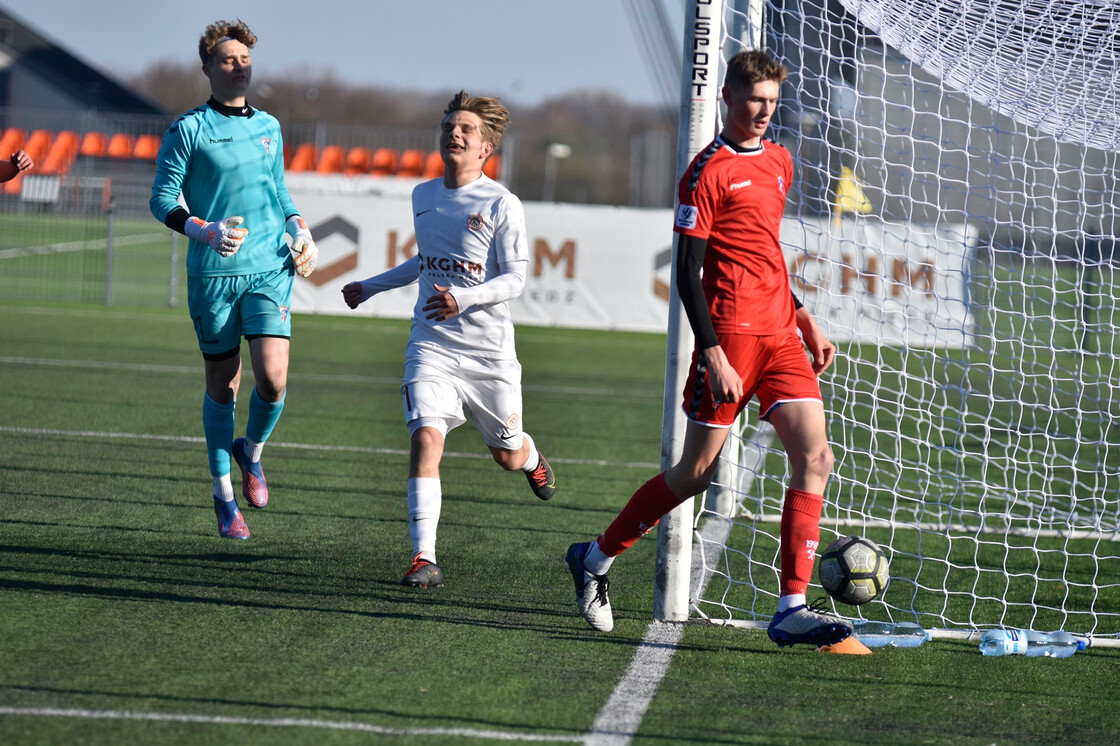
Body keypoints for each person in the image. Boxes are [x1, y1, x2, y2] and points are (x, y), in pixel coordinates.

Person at [564, 49, 853, 648]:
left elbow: (767, 250)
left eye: (772, 102)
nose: (764, 112)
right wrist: (715, 352)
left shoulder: (780, 162)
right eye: (754, 100)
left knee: (816, 457)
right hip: (730, 342)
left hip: (779, 337)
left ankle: (791, 607)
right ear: (727, 96)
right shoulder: (706, 172)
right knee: (695, 474)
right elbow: (688, 271)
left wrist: (804, 318)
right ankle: (593, 557)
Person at [342, 90, 556, 588]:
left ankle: (530, 456)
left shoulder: (503, 203)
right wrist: (370, 286)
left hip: (488, 355)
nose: (454, 134)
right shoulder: (423, 196)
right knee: (425, 438)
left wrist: (465, 298)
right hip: (432, 343)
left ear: (486, 147)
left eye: (466, 130)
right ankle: (424, 557)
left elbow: (516, 280)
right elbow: (426, 262)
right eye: (449, 127)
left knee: (506, 455)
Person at [150, 19, 319, 540]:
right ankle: (224, 495)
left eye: (245, 59)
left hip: (271, 267)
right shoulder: (189, 128)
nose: (239, 66)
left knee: (273, 378)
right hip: (214, 275)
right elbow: (162, 199)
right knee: (223, 387)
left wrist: (300, 227)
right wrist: (204, 230)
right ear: (207, 68)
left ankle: (253, 451)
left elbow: (280, 193)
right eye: (228, 59)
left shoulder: (269, 126)